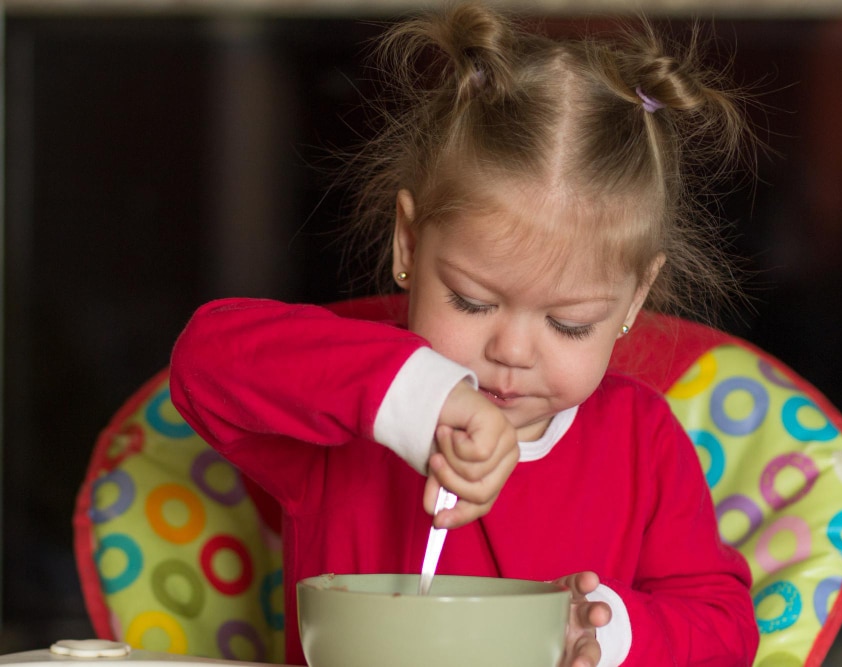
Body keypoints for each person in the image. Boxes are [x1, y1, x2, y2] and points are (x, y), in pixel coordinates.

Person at [170, 3, 759, 665]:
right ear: (408, 243)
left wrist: (609, 627)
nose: (511, 351)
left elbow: (726, 630)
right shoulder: (344, 417)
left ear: (634, 298)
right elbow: (203, 360)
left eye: (569, 323)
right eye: (472, 301)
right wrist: (414, 397)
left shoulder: (642, 443)